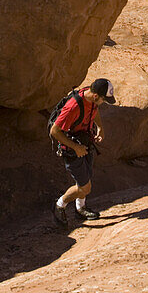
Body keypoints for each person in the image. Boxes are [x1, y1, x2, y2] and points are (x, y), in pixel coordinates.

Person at [51, 78, 115, 226]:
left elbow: (94, 111)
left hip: (85, 142)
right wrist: (75, 147)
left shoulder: (92, 98)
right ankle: (59, 205)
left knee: (86, 177)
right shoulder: (73, 106)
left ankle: (80, 209)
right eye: (104, 100)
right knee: (85, 187)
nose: (104, 103)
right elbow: (55, 131)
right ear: (96, 96)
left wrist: (100, 127)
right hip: (72, 149)